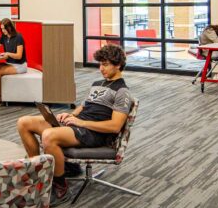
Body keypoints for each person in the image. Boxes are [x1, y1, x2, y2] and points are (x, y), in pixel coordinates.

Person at [16, 44, 132, 200]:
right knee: (24, 122)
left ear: (118, 65)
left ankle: (60, 187)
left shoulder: (122, 92)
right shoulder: (98, 84)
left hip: (93, 133)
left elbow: (114, 126)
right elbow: (85, 106)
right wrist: (69, 115)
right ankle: (38, 172)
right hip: (79, 125)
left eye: (105, 64)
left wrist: (80, 123)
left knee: (49, 136)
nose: (101, 68)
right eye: (100, 64)